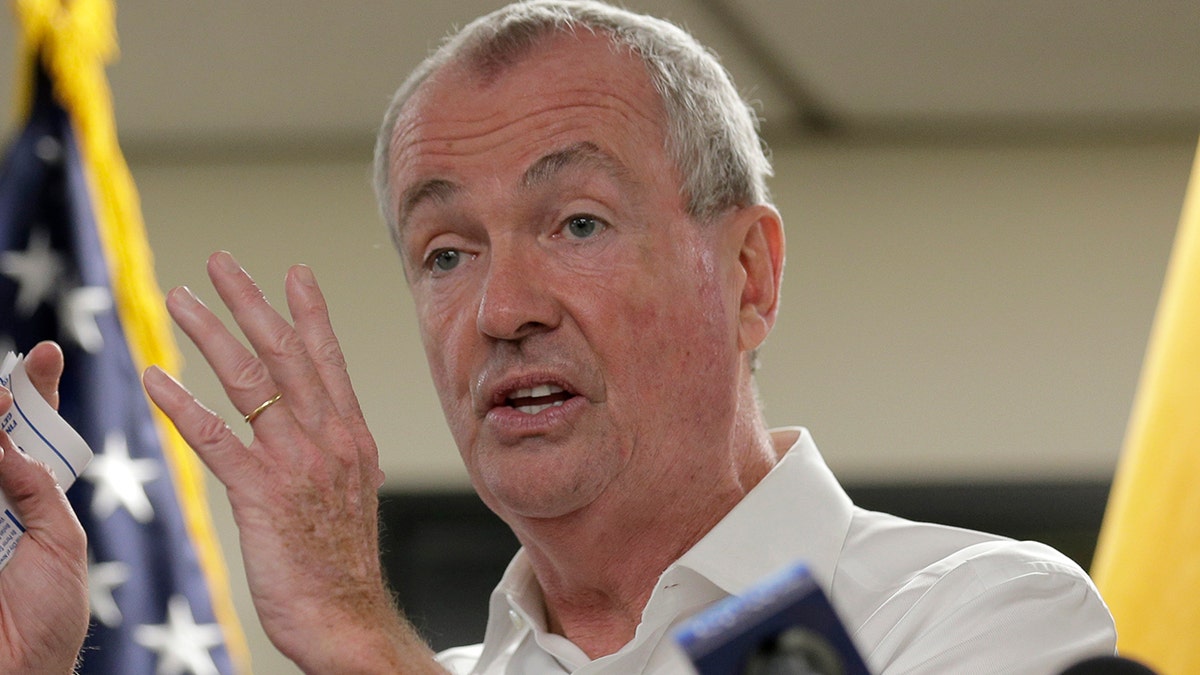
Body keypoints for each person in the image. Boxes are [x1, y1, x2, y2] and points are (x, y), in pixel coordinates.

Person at [0, 1, 1117, 673]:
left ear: (749, 275)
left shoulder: (982, 616)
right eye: (447, 251)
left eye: (575, 222)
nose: (503, 308)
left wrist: (351, 627)